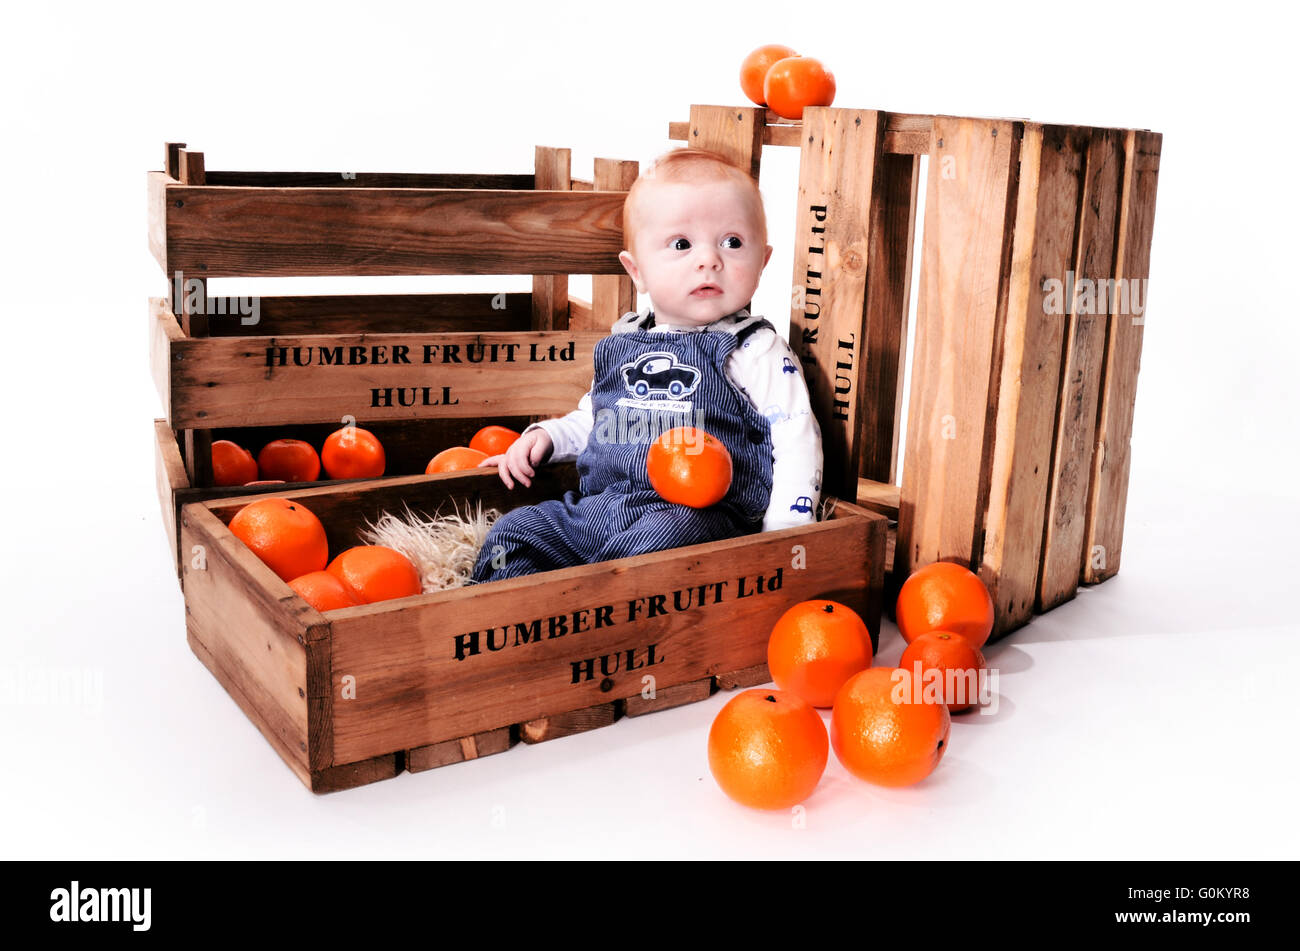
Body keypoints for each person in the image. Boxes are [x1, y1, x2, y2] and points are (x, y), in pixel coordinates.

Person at [469, 147, 822, 583]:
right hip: (601, 510)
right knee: (514, 532)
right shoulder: (625, 340)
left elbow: (795, 438)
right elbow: (595, 417)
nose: (709, 259)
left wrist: (784, 535)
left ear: (762, 261)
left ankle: (599, 609)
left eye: (732, 243)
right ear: (637, 271)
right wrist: (547, 436)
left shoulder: (755, 349)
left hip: (699, 517)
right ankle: (510, 614)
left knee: (661, 546)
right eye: (681, 244)